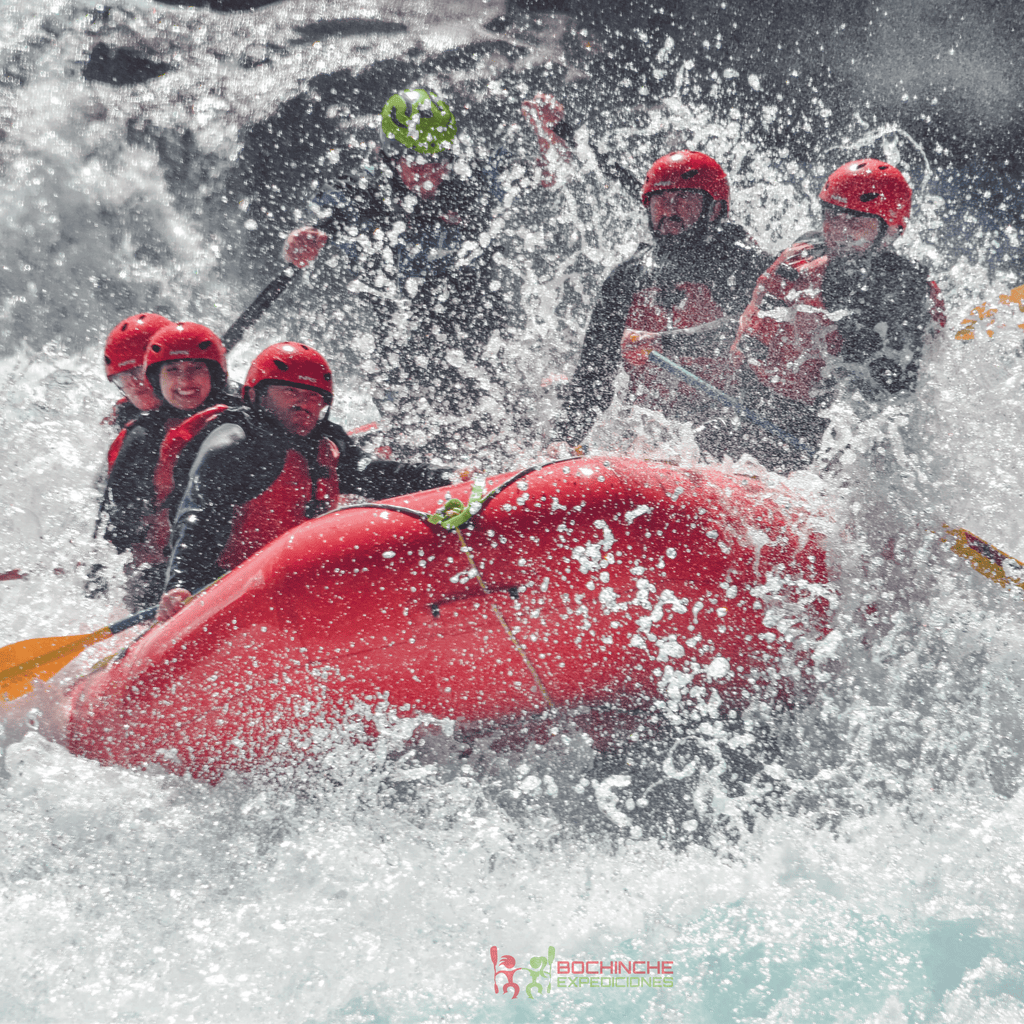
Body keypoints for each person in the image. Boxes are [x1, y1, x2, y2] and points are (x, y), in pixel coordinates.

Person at [280, 86, 574, 452]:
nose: (431, 172)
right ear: (389, 155)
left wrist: (548, 136)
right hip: (403, 343)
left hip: (478, 328)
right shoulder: (367, 191)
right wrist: (300, 244)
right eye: (418, 159)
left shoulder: (470, 179)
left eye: (439, 158)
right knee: (413, 417)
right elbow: (316, 227)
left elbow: (547, 176)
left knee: (495, 417)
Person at [157, 342, 456, 620]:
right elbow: (200, 513)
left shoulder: (325, 444)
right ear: (256, 395)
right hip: (230, 589)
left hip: (298, 585)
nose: (304, 403)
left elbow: (375, 474)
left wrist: (447, 478)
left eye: (314, 397)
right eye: (291, 392)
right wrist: (182, 583)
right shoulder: (234, 441)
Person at [723, 158, 946, 471]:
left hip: (845, 437)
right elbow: (748, 340)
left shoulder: (907, 293)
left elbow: (892, 401)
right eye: (833, 217)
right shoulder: (801, 256)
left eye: (857, 223)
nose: (841, 232)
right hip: (771, 411)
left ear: (889, 230)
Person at [548, 150, 773, 452]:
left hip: (732, 426)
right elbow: (593, 377)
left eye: (683, 199)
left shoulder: (745, 266)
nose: (669, 211)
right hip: (651, 429)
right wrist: (562, 442)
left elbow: (753, 334)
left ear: (715, 209)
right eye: (660, 201)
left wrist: (666, 342)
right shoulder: (627, 277)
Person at [99, 322, 236, 609]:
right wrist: (97, 580)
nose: (135, 384)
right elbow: (115, 527)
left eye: (137, 372)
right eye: (124, 378)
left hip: (230, 566)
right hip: (161, 575)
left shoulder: (243, 418)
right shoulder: (138, 436)